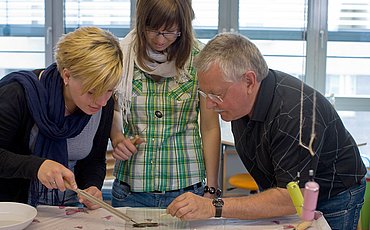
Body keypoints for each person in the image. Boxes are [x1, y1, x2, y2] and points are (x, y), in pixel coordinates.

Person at [166, 32, 367, 230]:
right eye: (205, 94)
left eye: (216, 94)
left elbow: (291, 198)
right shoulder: (240, 104)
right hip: (285, 189)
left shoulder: (294, 115)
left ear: (249, 82)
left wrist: (215, 207)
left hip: (333, 194)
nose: (209, 104)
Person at [110, 0, 220, 208]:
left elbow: (210, 127)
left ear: (182, 27)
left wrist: (211, 188)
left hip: (186, 187)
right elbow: (113, 110)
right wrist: (117, 138)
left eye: (169, 32)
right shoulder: (122, 55)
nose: (160, 39)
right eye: (152, 30)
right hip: (132, 187)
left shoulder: (201, 59)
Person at [0, 26, 123, 209]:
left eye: (109, 90)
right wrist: (36, 166)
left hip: (70, 208)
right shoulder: (17, 95)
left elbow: (94, 160)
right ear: (67, 75)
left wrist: (92, 186)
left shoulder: (103, 105)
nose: (102, 102)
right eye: (91, 91)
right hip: (15, 209)